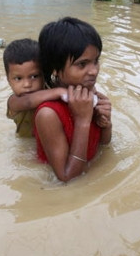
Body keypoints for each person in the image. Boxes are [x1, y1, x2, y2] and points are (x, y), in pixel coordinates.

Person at [34, 17, 112, 182]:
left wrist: (106, 123)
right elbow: (67, 177)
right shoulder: (48, 114)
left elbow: (103, 146)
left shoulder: (88, 93)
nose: (93, 71)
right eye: (82, 64)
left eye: (96, 61)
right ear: (55, 69)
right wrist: (83, 120)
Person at [3, 38, 67, 137]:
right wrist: (59, 92)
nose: (27, 84)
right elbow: (28, 102)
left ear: (45, 74)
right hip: (26, 143)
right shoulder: (14, 101)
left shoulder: (50, 89)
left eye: (34, 76)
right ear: (8, 80)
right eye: (18, 78)